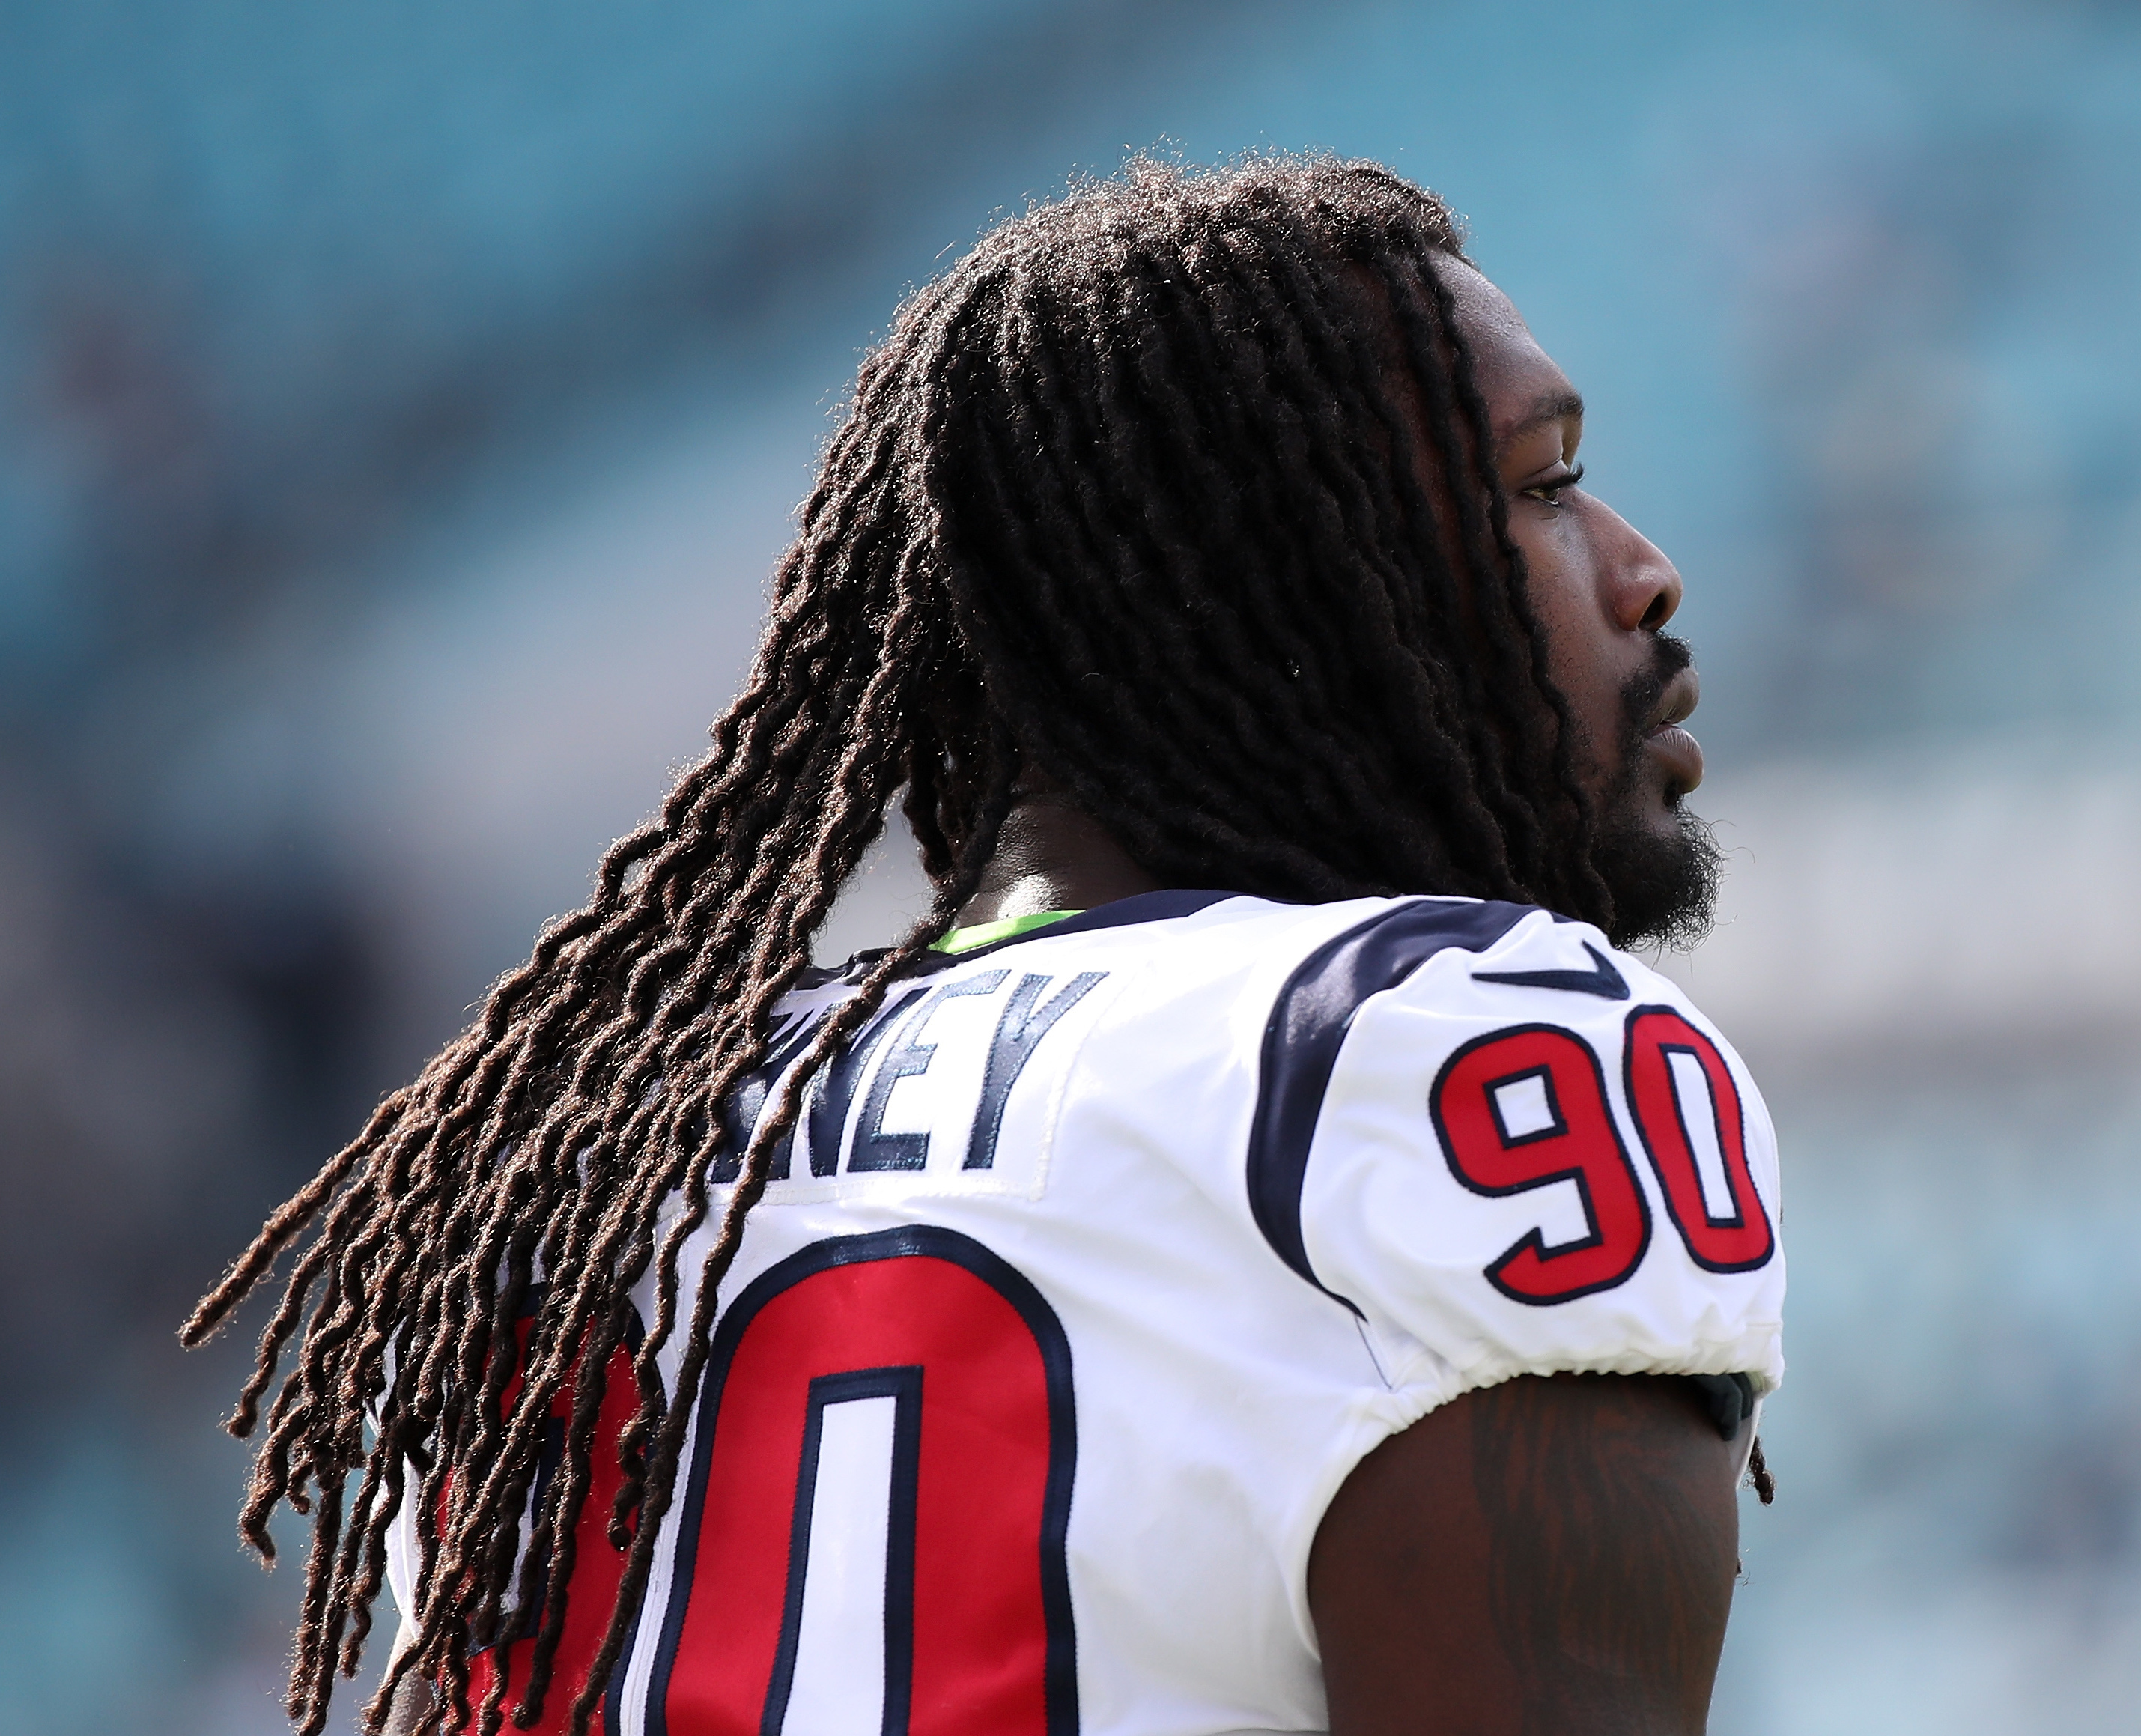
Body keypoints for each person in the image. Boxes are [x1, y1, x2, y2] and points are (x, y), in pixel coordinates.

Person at [187, 153, 1785, 1736]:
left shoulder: (570, 1176)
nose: (1640, 571)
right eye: (1542, 483)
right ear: (1270, 572)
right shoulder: (1443, 1046)